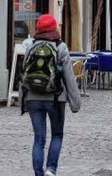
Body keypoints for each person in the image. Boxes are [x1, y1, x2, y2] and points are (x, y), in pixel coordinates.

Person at [22, 14, 81, 176]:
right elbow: (69, 76)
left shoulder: (31, 46)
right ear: (55, 28)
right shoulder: (60, 47)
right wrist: (76, 102)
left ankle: (38, 173)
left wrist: (22, 99)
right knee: (57, 135)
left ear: (38, 29)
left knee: (38, 139)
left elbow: (24, 74)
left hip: (33, 99)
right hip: (56, 99)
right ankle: (51, 169)